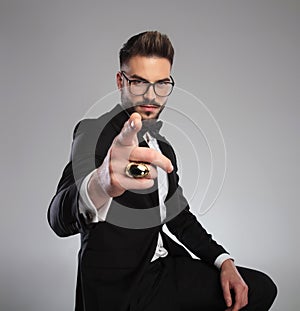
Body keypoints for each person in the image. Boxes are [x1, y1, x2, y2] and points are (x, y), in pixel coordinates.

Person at [48, 31, 277, 311]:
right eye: (139, 82)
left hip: (164, 267)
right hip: (122, 289)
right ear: (121, 81)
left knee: (259, 289)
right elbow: (57, 217)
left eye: (161, 84)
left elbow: (178, 217)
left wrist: (223, 260)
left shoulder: (163, 149)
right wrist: (100, 185)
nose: (151, 95)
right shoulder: (93, 131)